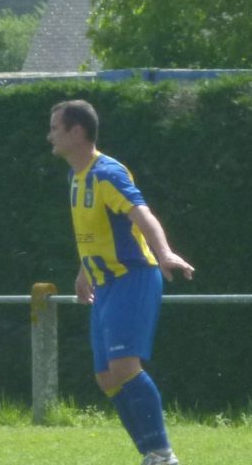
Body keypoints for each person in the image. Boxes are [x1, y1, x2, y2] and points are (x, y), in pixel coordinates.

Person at [46, 99, 195, 465]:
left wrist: (164, 254)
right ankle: (151, 454)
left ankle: (162, 454)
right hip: (106, 283)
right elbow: (96, 229)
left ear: (76, 132)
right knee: (106, 377)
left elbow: (142, 215)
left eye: (55, 127)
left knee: (125, 368)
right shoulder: (75, 175)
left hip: (133, 277)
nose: (49, 135)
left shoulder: (106, 173)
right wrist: (85, 270)